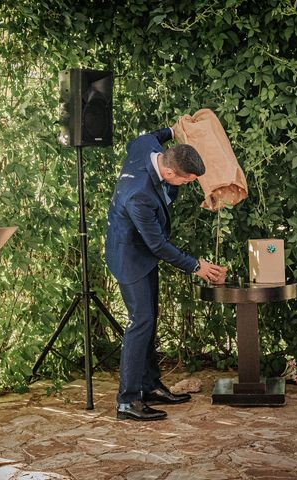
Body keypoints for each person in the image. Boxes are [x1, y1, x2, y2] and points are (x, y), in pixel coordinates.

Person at [105, 127, 227, 421]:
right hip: (129, 256)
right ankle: (128, 400)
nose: (191, 184)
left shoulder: (145, 146)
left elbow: (149, 136)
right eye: (189, 180)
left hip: (143, 255)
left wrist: (173, 129)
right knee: (140, 322)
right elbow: (157, 243)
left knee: (150, 318)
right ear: (172, 173)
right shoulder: (139, 196)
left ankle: (149, 386)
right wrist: (196, 266)